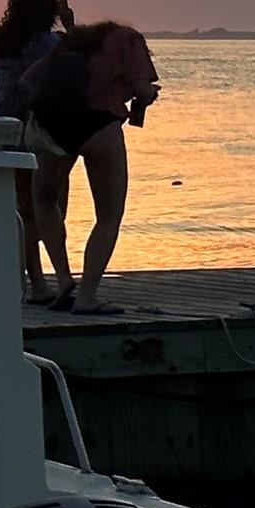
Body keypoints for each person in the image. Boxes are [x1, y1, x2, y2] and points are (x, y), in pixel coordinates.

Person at [21, 19, 160, 315]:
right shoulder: (129, 39)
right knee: (108, 215)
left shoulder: (68, 46)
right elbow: (142, 89)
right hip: (99, 125)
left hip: (53, 127)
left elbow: (27, 82)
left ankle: (62, 279)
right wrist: (147, 94)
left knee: (44, 201)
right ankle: (86, 297)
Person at [0, 0, 71, 301]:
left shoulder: (5, 38)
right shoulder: (46, 43)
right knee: (44, 205)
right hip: (23, 128)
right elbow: (77, 65)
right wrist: (70, 26)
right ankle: (45, 282)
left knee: (24, 208)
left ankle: (35, 282)